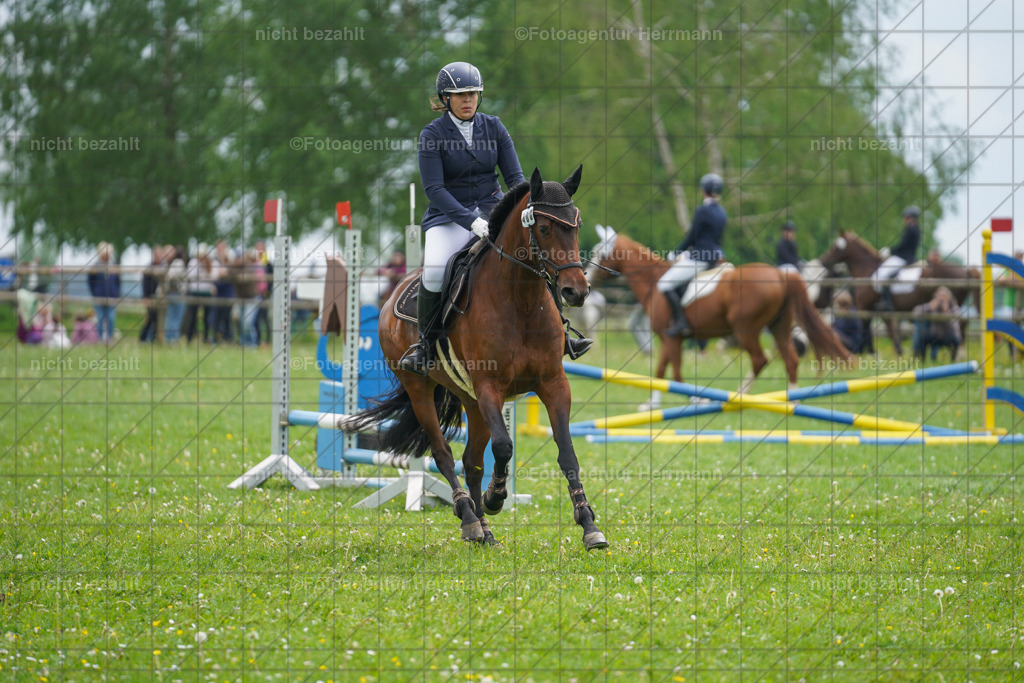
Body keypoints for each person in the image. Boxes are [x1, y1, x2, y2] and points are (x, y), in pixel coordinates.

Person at [398, 62, 592, 375]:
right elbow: (434, 189)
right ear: (445, 98)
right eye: (460, 95)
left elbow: (515, 178)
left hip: (494, 208)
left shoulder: (494, 127)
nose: (468, 100)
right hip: (448, 217)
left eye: (473, 93)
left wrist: (523, 210)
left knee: (536, 256)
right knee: (434, 271)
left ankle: (564, 336)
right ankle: (426, 345)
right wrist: (470, 221)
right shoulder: (432, 134)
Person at [656, 173, 727, 338]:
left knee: (664, 284)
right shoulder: (722, 212)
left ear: (703, 191)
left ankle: (681, 322)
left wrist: (676, 253)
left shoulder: (702, 211)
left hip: (700, 259)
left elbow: (691, 237)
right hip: (715, 257)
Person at [874, 205, 921, 310]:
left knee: (883, 274)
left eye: (905, 217)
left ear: (909, 217)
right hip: (906, 257)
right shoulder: (915, 228)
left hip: (903, 258)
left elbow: (903, 245)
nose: (904, 219)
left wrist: (890, 251)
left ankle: (887, 302)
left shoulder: (911, 229)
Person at [911, 286, 961, 360]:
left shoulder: (953, 307)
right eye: (940, 296)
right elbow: (915, 312)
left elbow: (955, 324)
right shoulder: (932, 305)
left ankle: (953, 359)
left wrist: (946, 311)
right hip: (934, 334)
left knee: (956, 339)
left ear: (949, 297)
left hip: (948, 335)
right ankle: (922, 358)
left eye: (944, 296)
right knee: (921, 335)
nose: (942, 299)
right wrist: (929, 307)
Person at [87, 242, 120, 341]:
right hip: (99, 297)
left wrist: (117, 293)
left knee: (111, 318)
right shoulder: (95, 266)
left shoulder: (114, 266)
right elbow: (90, 282)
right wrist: (95, 293)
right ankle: (100, 339)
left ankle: (109, 338)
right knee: (100, 318)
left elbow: (118, 282)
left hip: (112, 297)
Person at [163, 245, 188, 344]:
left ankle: (169, 338)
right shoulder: (179, 262)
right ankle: (173, 339)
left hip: (171, 293)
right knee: (176, 317)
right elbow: (172, 275)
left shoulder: (170, 263)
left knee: (170, 316)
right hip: (177, 293)